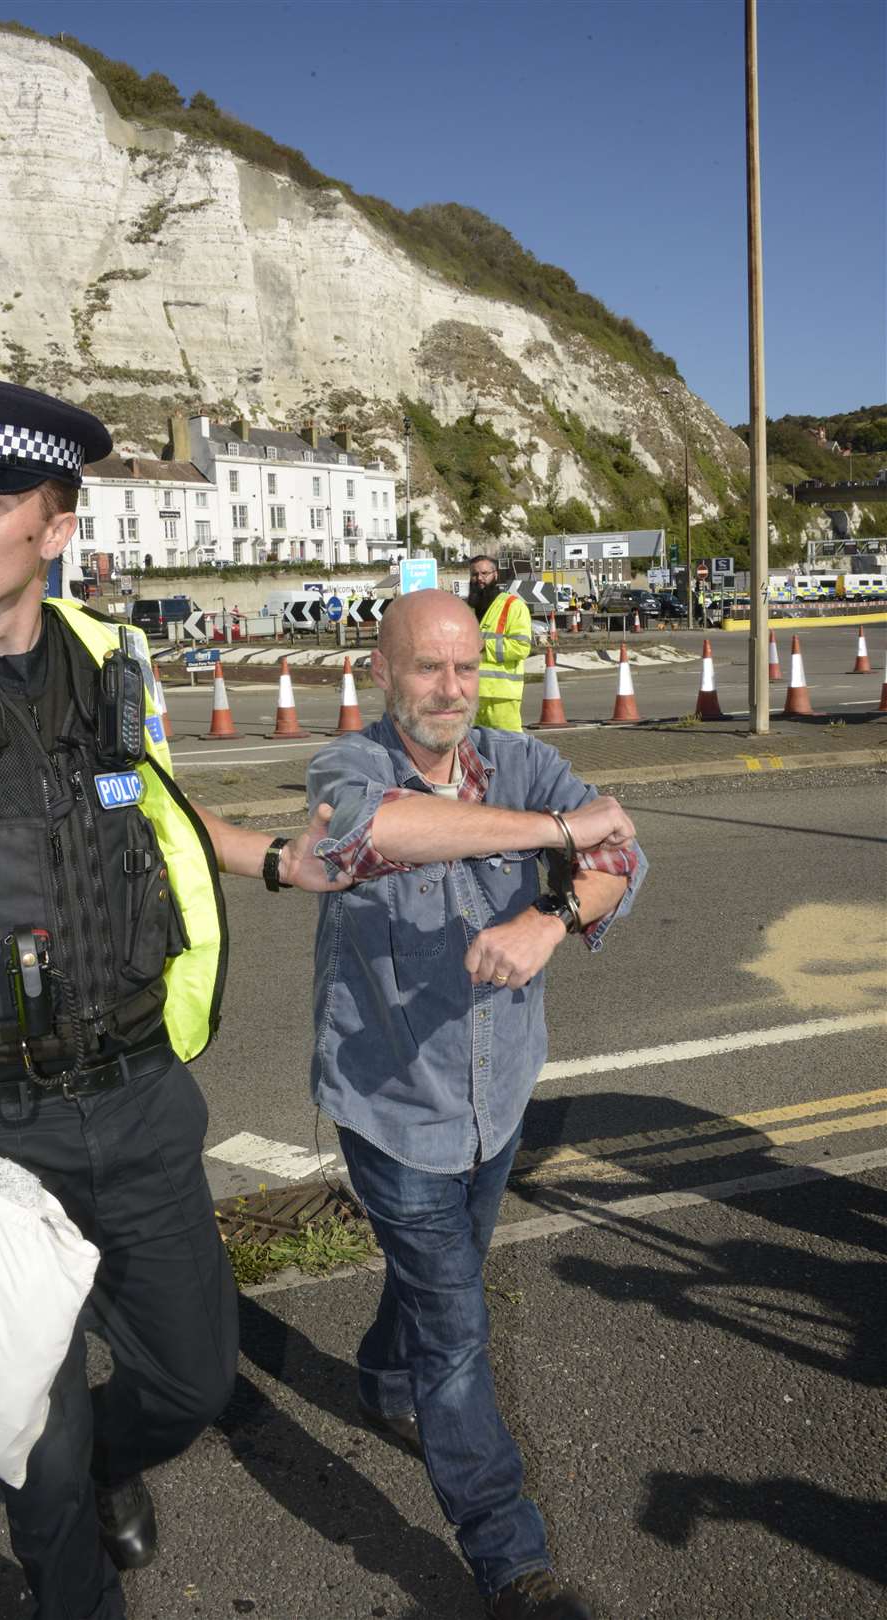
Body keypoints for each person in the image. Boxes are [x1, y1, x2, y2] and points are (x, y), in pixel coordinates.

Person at [0, 375, 348, 1620]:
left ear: (56, 528)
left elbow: (143, 810)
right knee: (35, 1464)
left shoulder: (117, 656)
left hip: (142, 1097)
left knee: (195, 1382)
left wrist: (272, 857)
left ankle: (120, 1460)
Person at [306, 589, 646, 1620]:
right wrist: (556, 832)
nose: (450, 690)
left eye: (464, 669)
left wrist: (552, 915)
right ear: (381, 671)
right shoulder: (350, 771)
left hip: (497, 1099)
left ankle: (380, 1373)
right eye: (426, 668)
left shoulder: (522, 758)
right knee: (457, 1331)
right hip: (395, 1108)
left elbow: (623, 850)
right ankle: (510, 1557)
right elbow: (386, 832)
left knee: (433, 1286)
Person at [467, 554, 534, 730]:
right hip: (471, 694)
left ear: (495, 575)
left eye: (484, 573)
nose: (479, 579)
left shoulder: (513, 606)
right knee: (473, 751)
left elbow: (521, 648)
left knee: (508, 748)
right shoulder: (466, 609)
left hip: (501, 695)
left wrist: (483, 645)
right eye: (474, 574)